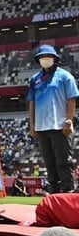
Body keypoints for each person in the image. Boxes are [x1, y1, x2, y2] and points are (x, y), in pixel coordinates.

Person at [28, 44, 78, 194]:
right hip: (42, 127)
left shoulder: (65, 76)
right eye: (42, 57)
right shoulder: (34, 79)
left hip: (60, 126)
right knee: (49, 163)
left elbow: (72, 99)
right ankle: (54, 193)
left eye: (48, 57)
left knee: (63, 162)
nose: (45, 59)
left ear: (54, 58)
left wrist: (69, 121)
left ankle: (67, 191)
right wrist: (32, 125)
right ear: (38, 60)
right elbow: (32, 102)